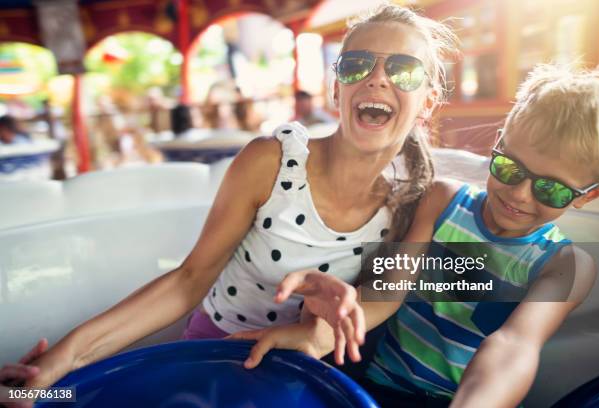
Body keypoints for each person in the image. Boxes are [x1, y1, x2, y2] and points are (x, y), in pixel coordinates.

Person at [0, 3, 458, 396]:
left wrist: (315, 337)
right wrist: (63, 358)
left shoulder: (417, 196)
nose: (377, 79)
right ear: (336, 88)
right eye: (357, 64)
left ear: (429, 101)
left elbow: (388, 292)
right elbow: (187, 281)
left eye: (402, 69)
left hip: (306, 367)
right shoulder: (272, 162)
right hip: (214, 351)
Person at [238, 64, 599, 407]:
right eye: (509, 168)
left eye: (552, 190)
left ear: (591, 194)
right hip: (375, 385)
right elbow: (387, 291)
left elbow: (513, 345)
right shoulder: (442, 200)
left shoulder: (566, 265)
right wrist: (316, 337)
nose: (520, 194)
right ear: (497, 143)